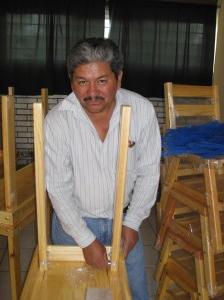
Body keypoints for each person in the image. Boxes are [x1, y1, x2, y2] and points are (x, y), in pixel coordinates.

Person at [44, 37, 161, 300]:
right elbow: (58, 188)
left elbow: (149, 172)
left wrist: (132, 222)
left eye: (102, 81)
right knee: (77, 295)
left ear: (119, 78)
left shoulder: (142, 111)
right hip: (72, 225)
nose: (92, 92)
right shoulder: (58, 121)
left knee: (135, 295)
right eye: (82, 82)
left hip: (123, 222)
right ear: (71, 81)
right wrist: (85, 240)